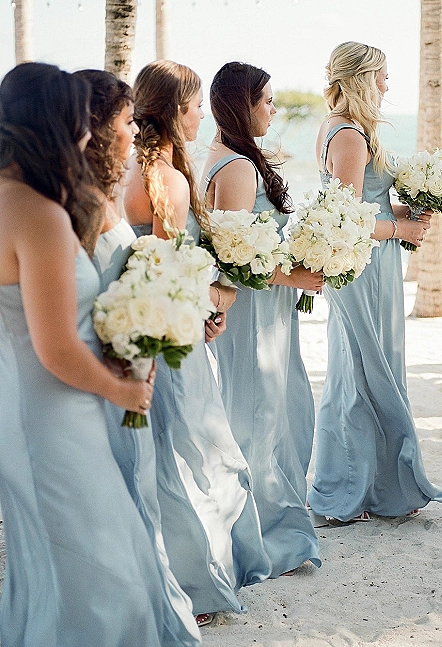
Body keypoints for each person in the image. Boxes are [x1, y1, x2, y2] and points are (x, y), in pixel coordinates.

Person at [0, 62, 167, 647]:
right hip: (56, 411)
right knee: (101, 572)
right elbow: (57, 349)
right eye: (77, 123)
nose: (83, 136)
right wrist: (125, 390)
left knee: (52, 566)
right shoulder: (39, 216)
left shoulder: (8, 199)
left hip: (21, 404)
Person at [123, 59, 271, 624]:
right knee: (191, 453)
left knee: (157, 452)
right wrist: (213, 304)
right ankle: (196, 586)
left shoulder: (125, 171)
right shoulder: (169, 178)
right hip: (171, 332)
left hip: (135, 326)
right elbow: (172, 268)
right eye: (193, 108)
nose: (200, 117)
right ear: (176, 111)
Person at [307, 41, 442, 523]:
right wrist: (402, 229)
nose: (387, 86)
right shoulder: (350, 135)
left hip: (370, 262)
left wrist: (401, 213)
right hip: (364, 267)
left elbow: (357, 203)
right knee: (362, 374)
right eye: (382, 76)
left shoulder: (338, 127)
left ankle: (372, 487)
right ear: (360, 79)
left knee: (366, 370)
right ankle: (353, 492)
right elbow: (348, 218)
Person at [78, 68, 201, 646]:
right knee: (145, 469)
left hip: (124, 349)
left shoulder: (103, 189)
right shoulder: (147, 185)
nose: (133, 132)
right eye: (123, 122)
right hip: (115, 359)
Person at [203, 61, 322, 578]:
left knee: (275, 414)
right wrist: (293, 277)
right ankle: (262, 543)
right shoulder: (236, 166)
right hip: (252, 314)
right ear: (242, 104)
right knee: (259, 421)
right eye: (267, 100)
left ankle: (270, 532)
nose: (273, 108)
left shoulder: (229, 155)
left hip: (266, 311)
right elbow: (235, 256)